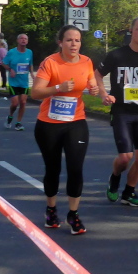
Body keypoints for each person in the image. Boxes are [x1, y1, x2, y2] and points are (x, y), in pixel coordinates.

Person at [31, 25, 100, 235]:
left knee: (75, 168)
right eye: (69, 40)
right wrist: (58, 88)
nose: (73, 44)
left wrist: (94, 89)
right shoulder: (50, 63)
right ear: (60, 42)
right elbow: (35, 93)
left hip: (75, 122)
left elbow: (92, 84)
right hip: (49, 124)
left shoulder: (86, 61)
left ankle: (73, 214)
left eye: (77, 40)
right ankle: (51, 209)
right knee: (53, 169)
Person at [96, 17, 138, 207]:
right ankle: (115, 177)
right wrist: (103, 94)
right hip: (121, 112)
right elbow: (97, 74)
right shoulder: (117, 55)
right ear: (131, 31)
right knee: (125, 157)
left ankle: (128, 192)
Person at [2, 34, 36, 131]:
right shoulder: (12, 52)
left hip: (24, 82)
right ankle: (10, 116)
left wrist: (32, 74)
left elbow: (30, 64)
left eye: (25, 39)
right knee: (15, 103)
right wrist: (10, 69)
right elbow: (3, 63)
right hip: (14, 82)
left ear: (27, 41)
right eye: (21, 38)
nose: (23, 40)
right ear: (17, 41)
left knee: (23, 102)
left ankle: (18, 123)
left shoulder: (29, 52)